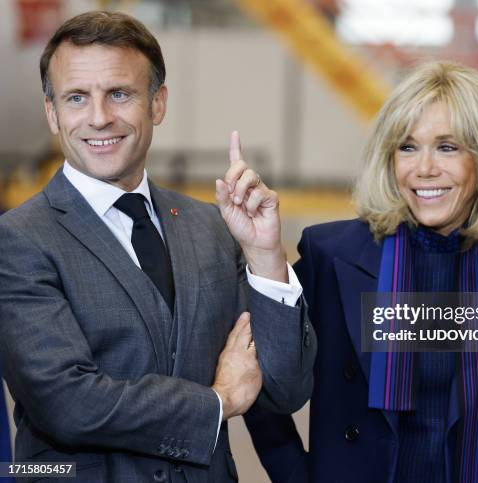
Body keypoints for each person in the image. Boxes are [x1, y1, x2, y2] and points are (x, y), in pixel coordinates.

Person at [0, 11, 315, 483]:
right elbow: (68, 404)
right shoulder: (19, 240)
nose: (99, 117)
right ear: (52, 112)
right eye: (76, 98)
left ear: (158, 103)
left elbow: (283, 390)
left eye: (120, 94)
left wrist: (266, 255)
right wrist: (218, 400)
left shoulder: (210, 226)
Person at [245, 61, 478, 483]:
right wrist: (297, 474)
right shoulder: (331, 254)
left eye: (448, 147)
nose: (423, 169)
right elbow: (257, 364)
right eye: (407, 147)